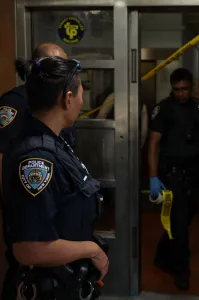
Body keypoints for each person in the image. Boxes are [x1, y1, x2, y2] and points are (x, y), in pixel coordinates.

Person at [1, 56, 109, 299]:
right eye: (81, 93)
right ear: (68, 98)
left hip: (68, 280)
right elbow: (29, 249)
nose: (82, 101)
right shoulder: (37, 159)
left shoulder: (55, 143)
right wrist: (93, 250)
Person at [0, 43, 78, 300]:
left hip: (57, 207)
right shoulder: (16, 103)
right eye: (57, 66)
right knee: (32, 274)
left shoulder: (58, 105)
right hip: (31, 205)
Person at [148, 67, 199, 290]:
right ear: (172, 88)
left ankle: (161, 255)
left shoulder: (198, 108)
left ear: (191, 87)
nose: (181, 93)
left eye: (185, 89)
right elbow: (153, 145)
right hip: (172, 175)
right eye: (177, 89)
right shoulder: (163, 109)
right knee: (180, 226)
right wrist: (153, 177)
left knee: (184, 221)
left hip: (194, 173)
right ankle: (181, 272)